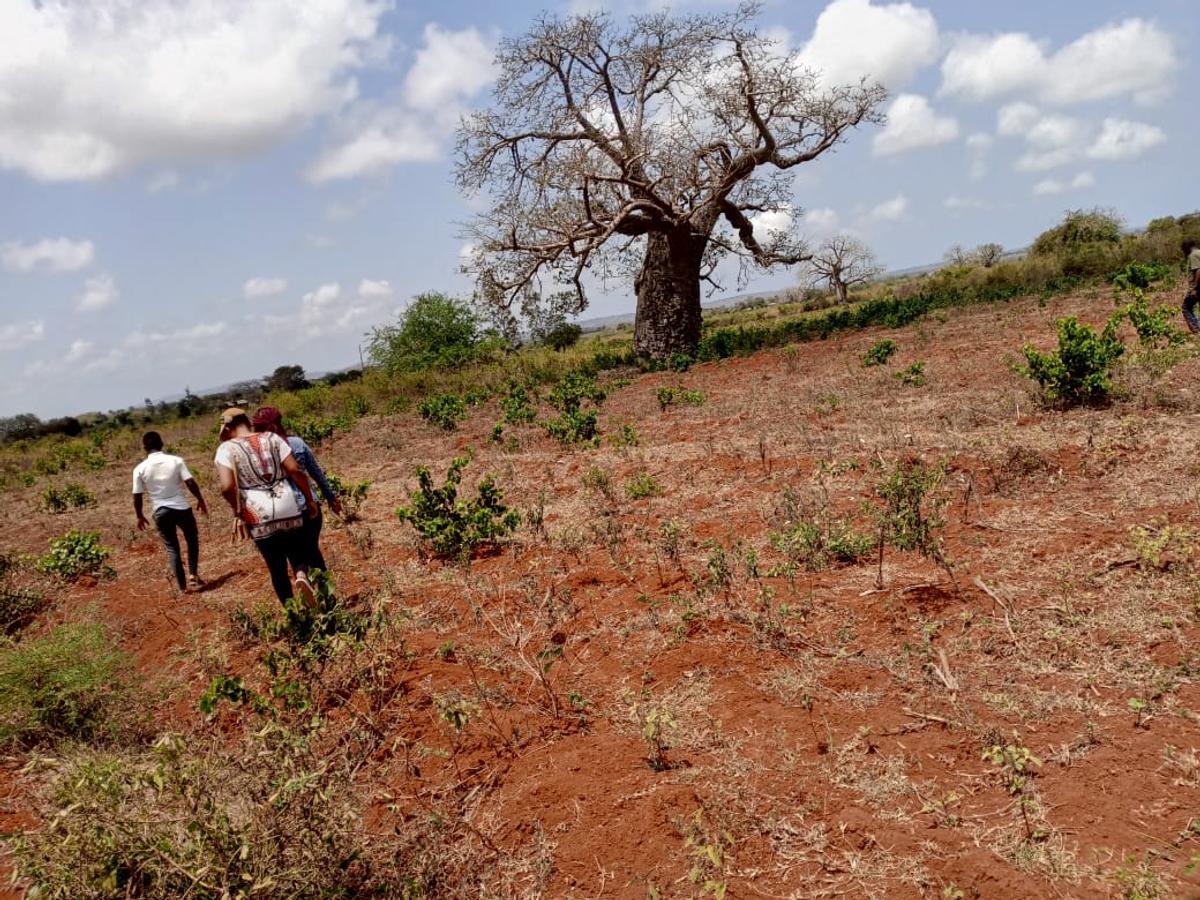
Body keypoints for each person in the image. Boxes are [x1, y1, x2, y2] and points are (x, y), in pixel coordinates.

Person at [214, 408, 319, 605]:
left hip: (257, 513)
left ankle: (293, 613)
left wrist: (238, 512)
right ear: (247, 421)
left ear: (227, 427)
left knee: (276, 567)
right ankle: (301, 574)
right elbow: (295, 471)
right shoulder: (272, 437)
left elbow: (227, 487)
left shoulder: (226, 449)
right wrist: (310, 500)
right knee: (296, 551)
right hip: (289, 505)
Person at [251, 406, 341, 573]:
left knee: (295, 553)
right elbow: (317, 473)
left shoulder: (255, 454)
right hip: (308, 507)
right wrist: (330, 497)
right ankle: (326, 593)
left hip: (279, 511)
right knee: (312, 550)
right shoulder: (296, 443)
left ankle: (302, 578)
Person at [133, 431, 208, 593]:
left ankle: (182, 588)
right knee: (192, 540)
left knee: (172, 548)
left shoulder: (139, 469)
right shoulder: (176, 461)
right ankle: (193, 575)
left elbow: (137, 495)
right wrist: (200, 499)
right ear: (161, 443)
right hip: (181, 508)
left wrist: (139, 515)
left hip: (160, 511)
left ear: (145, 448)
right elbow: (190, 482)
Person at [1183, 239, 1200, 334]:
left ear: (1187, 247)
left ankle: (1196, 329)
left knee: (1186, 307)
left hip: (1198, 288)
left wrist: (1194, 288)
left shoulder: (1193, 255)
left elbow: (1198, 271)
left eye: (1184, 250)